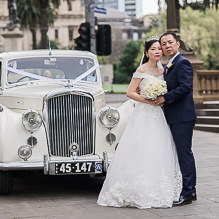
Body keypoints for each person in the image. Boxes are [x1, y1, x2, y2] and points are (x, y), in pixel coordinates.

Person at [97, 37, 182, 209]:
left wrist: (159, 98)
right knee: (141, 149)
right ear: (146, 52)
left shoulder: (163, 70)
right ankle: (136, 189)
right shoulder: (141, 69)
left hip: (158, 115)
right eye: (153, 49)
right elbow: (129, 92)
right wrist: (147, 99)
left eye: (159, 48)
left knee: (159, 149)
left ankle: (158, 188)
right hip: (144, 113)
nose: (157, 51)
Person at [153, 32, 197, 206]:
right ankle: (190, 191)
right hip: (174, 116)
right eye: (164, 44)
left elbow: (186, 87)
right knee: (182, 154)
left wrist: (165, 98)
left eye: (170, 42)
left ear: (177, 44)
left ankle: (187, 193)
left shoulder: (182, 62)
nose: (167, 46)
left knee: (184, 154)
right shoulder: (168, 65)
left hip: (182, 117)